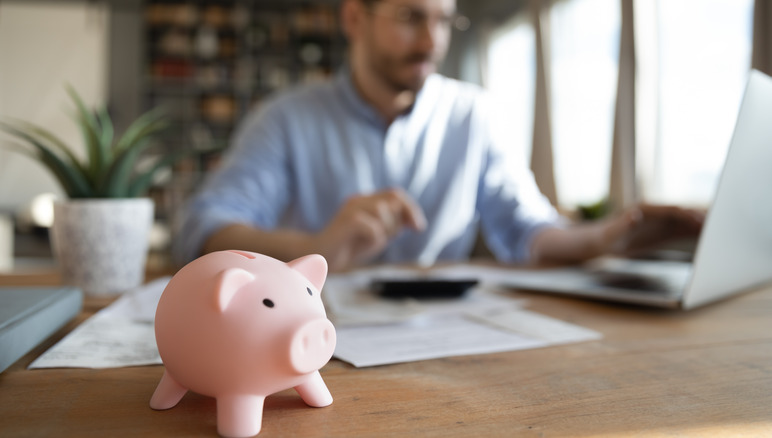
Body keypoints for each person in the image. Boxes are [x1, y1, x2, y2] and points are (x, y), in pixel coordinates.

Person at [173, 0, 702, 270]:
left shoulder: (475, 115)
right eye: (410, 17)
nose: (431, 39)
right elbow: (203, 231)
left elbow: (526, 230)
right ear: (355, 17)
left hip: (445, 351)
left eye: (445, 20)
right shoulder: (284, 119)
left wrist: (607, 237)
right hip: (312, 339)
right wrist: (315, 247)